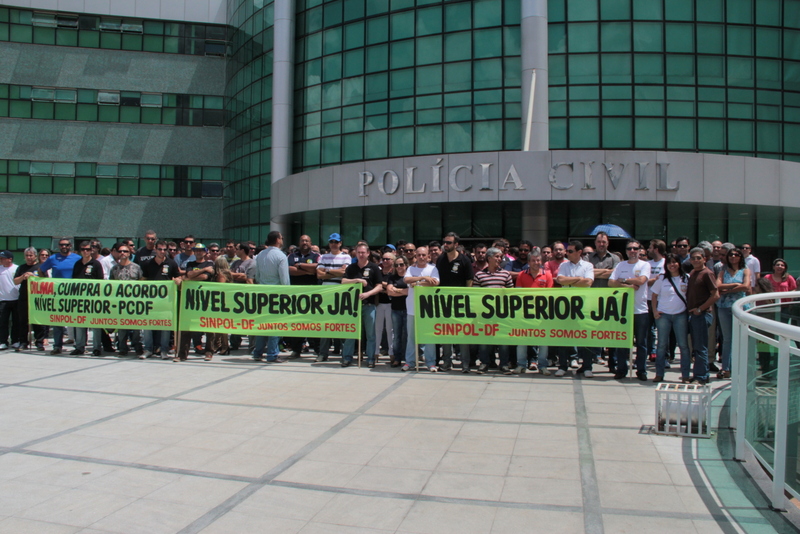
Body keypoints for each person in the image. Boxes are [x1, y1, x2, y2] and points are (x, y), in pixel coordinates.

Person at [609, 239, 651, 380]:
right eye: (629, 248)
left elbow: (641, 281)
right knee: (623, 342)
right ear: (626, 251)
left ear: (639, 250)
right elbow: (611, 282)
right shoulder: (621, 265)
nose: (632, 251)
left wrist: (623, 280)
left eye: (635, 248)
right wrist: (627, 285)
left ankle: (641, 370)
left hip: (640, 310)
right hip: (624, 310)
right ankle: (621, 369)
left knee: (641, 343)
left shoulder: (645, 265)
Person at [555, 240, 595, 377]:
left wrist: (570, 280)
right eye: (567, 251)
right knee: (563, 336)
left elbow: (588, 282)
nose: (567, 253)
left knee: (585, 337)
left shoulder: (588, 265)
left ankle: (587, 367)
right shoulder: (563, 265)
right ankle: (563, 366)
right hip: (566, 306)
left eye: (570, 251)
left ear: (579, 252)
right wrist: (578, 279)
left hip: (583, 306)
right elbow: (560, 280)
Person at [435, 232, 474, 372]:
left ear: (456, 244)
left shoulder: (465, 260)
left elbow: (469, 281)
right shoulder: (440, 259)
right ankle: (446, 362)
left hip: (461, 303)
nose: (446, 245)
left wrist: (465, 298)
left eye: (449, 242)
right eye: (444, 242)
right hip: (444, 303)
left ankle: (465, 363)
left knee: (462, 333)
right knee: (445, 333)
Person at [473, 247, 515, 374]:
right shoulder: (479, 275)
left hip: (502, 314)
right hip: (485, 315)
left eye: (500, 256)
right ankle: (484, 363)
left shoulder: (506, 274)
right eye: (497, 256)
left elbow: (511, 294)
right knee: (485, 341)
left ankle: (504, 364)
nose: (499, 259)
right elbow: (475, 295)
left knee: (503, 340)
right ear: (489, 258)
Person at [651, 254, 691, 383]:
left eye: (674, 262)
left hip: (681, 315)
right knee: (661, 345)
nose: (672, 265)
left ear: (679, 263)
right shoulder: (662, 278)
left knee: (683, 345)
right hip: (664, 315)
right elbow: (654, 296)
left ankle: (685, 375)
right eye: (669, 263)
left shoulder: (686, 278)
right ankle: (659, 373)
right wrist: (655, 312)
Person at [341, 243, 382, 367]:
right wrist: (357, 280)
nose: (361, 255)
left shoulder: (374, 268)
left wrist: (368, 294)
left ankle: (370, 359)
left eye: (363, 252)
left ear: (368, 253)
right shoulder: (351, 268)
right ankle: (347, 357)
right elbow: (343, 281)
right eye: (359, 252)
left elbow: (379, 286)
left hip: (369, 304)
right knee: (351, 333)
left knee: (370, 334)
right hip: (353, 306)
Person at [38, 238, 81, 355]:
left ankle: (79, 346)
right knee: (58, 321)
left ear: (70, 246)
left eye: (66, 245)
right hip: (58, 294)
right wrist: (45, 281)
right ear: (59, 246)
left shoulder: (77, 258)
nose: (64, 247)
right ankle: (57, 346)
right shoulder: (53, 258)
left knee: (76, 320)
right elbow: (40, 269)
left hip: (74, 294)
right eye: (62, 245)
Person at [252, 231, 289, 363]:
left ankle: (258, 352)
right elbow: (284, 280)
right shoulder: (281, 256)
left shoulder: (260, 255)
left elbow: (258, 276)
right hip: (276, 294)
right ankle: (272, 354)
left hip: (262, 292)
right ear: (278, 240)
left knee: (262, 324)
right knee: (275, 325)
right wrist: (287, 294)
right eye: (281, 237)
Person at [515, 247, 553, 375]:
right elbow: (518, 294)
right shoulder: (521, 275)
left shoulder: (547, 275)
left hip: (542, 313)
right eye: (533, 260)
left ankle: (542, 365)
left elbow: (550, 295)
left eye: (538, 260)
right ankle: (521, 365)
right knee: (522, 340)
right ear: (529, 262)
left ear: (541, 261)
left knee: (543, 342)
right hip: (525, 313)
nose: (536, 263)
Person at [141, 240, 181, 359]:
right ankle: (148, 349)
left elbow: (178, 276)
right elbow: (144, 279)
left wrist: (178, 281)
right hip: (150, 300)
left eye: (164, 249)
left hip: (166, 300)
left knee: (165, 326)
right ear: (155, 250)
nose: (162, 252)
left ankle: (164, 350)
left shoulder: (171, 263)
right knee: (148, 326)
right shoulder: (148, 263)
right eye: (160, 249)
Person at [175, 243, 216, 361]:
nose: (198, 252)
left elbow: (204, 277)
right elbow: (189, 274)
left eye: (201, 250)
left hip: (205, 299)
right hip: (191, 300)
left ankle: (209, 351)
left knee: (209, 326)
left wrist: (190, 277)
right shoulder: (190, 264)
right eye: (196, 250)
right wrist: (201, 271)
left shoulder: (210, 263)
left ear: (205, 252)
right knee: (186, 327)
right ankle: (182, 354)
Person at [686, 247, 720, 385]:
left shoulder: (707, 273)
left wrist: (701, 309)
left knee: (701, 347)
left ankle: (701, 376)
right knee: (696, 347)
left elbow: (715, 295)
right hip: (693, 315)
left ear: (704, 259)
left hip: (702, 314)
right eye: (693, 258)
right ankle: (698, 374)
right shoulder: (694, 272)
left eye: (698, 258)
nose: (695, 260)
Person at [715, 247, 751, 380]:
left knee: (740, 338)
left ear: (741, 257)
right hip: (724, 307)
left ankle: (739, 367)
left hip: (741, 308)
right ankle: (726, 368)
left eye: (736, 255)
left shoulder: (745, 270)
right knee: (727, 339)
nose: (733, 257)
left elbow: (746, 286)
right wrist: (736, 285)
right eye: (731, 255)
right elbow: (718, 286)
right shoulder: (723, 271)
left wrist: (728, 288)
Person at [315, 233, 351, 362]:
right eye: (331, 242)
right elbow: (319, 275)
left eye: (336, 242)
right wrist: (333, 272)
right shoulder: (324, 256)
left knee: (341, 323)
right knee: (326, 323)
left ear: (340, 243)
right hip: (327, 291)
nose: (334, 244)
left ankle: (344, 353)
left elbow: (344, 273)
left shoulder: (346, 256)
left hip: (340, 291)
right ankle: (323, 353)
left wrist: (328, 271)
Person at [404, 246, 440, 372]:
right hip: (412, 308)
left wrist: (416, 283)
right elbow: (407, 280)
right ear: (416, 255)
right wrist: (423, 278)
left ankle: (430, 362)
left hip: (428, 309)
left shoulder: (433, 268)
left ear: (428, 256)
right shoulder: (410, 268)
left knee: (429, 337)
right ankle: (410, 362)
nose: (421, 257)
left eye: (424, 255)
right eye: (419, 255)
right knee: (411, 337)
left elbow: (435, 282)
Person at [69, 241, 105, 356]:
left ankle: (96, 348)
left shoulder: (96, 264)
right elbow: (74, 281)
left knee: (96, 325)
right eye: (83, 249)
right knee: (80, 324)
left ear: (92, 250)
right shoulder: (77, 264)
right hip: (80, 299)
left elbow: (101, 282)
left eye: (88, 249)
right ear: (80, 251)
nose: (85, 251)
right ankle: (79, 347)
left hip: (93, 299)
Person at [109, 243, 145, 357]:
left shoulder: (136, 267)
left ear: (129, 253)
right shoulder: (114, 269)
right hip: (120, 303)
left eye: (125, 251)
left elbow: (142, 282)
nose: (122, 253)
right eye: (120, 251)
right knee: (122, 326)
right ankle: (122, 347)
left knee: (135, 327)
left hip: (134, 302)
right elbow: (111, 285)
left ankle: (137, 346)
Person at [287, 235, 320, 359]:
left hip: (313, 295)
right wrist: (308, 270)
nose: (304, 242)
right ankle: (296, 350)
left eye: (307, 240)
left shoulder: (316, 256)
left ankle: (317, 350)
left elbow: (318, 268)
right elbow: (289, 270)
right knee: (297, 324)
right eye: (302, 241)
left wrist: (299, 266)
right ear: (299, 243)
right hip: (297, 295)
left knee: (314, 323)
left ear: (311, 243)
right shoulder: (291, 256)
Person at [14, 247, 48, 351]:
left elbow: (45, 281)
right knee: (23, 321)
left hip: (37, 298)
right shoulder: (21, 268)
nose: (29, 258)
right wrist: (23, 276)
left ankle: (39, 342)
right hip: (24, 297)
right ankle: (23, 342)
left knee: (37, 321)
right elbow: (15, 281)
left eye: (31, 255)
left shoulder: (40, 267)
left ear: (35, 256)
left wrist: (33, 276)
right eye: (27, 256)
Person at [387, 256, 409, 367]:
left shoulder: (409, 277)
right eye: (397, 265)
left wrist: (396, 290)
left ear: (406, 265)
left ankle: (407, 358)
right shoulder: (392, 277)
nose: (399, 267)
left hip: (408, 309)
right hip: (395, 309)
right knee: (397, 335)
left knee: (407, 335)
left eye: (401, 264)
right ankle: (397, 358)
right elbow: (389, 292)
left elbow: (409, 292)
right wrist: (402, 291)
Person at [375, 251, 395, 365]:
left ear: (393, 260)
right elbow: (375, 284)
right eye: (384, 259)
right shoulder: (378, 271)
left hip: (391, 304)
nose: (385, 261)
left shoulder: (395, 272)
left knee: (390, 330)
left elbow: (391, 288)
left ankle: (391, 353)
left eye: (388, 259)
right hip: (379, 303)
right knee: (378, 329)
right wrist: (385, 287)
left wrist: (382, 286)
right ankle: (376, 352)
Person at [0, 251, 20, 351]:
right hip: (3, 300)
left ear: (10, 259)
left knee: (16, 322)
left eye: (2, 258)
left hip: (16, 299)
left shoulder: (16, 268)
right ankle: (3, 341)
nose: (1, 260)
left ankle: (15, 340)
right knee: (3, 322)